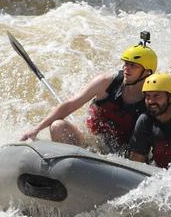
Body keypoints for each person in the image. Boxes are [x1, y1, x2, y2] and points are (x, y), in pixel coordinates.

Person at [20, 41, 158, 153]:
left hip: (123, 154)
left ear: (147, 72)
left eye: (133, 66)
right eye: (126, 63)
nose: (126, 69)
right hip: (91, 142)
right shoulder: (106, 82)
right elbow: (70, 104)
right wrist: (37, 128)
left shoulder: (153, 99)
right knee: (57, 126)